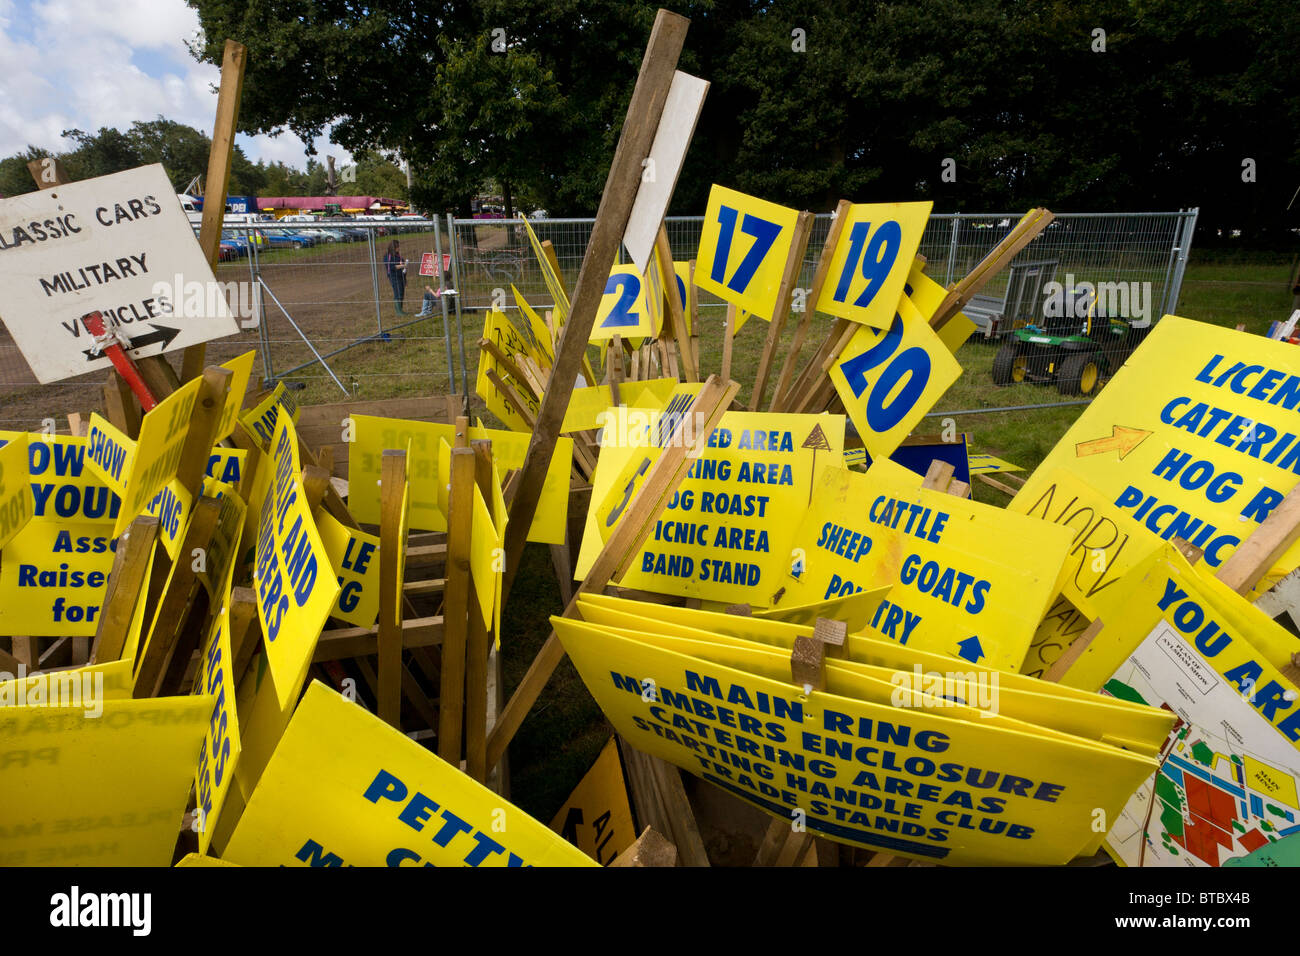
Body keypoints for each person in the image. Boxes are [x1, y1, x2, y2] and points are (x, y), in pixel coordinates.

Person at [382, 240, 408, 314]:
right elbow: (391, 267)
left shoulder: (398, 256)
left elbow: (402, 264)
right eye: (397, 247)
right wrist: (402, 265)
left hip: (401, 276)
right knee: (398, 292)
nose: (399, 248)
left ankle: (401, 309)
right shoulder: (388, 257)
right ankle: (398, 312)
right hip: (394, 277)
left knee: (402, 292)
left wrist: (405, 278)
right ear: (393, 248)